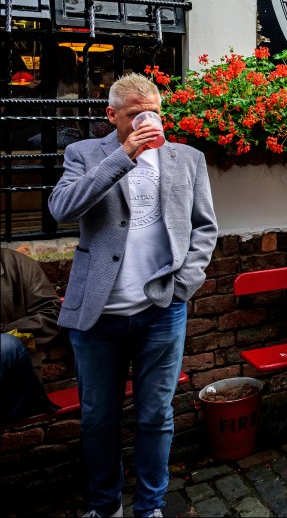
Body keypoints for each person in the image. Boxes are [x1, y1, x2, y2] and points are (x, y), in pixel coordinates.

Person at [48, 72, 218, 518]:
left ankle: (150, 507)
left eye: (154, 113)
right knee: (97, 419)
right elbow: (62, 209)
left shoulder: (187, 158)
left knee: (155, 417)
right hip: (98, 315)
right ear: (111, 116)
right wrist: (125, 154)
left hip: (162, 310)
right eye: (134, 114)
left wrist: (184, 285)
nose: (146, 120)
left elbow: (205, 227)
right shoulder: (84, 154)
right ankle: (106, 508)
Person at [1, 248, 61, 424]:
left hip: (13, 384)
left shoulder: (18, 264)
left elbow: (52, 314)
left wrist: (6, 330)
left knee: (6, 344)